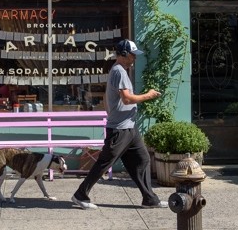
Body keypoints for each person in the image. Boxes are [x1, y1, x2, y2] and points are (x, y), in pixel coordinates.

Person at [71, 39, 167, 210]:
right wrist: (149, 95)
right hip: (119, 130)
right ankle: (80, 195)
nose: (134, 59)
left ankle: (149, 199)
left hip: (129, 127)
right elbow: (127, 99)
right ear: (123, 54)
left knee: (143, 159)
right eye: (132, 55)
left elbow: (109, 100)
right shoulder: (119, 71)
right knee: (104, 163)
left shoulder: (120, 71)